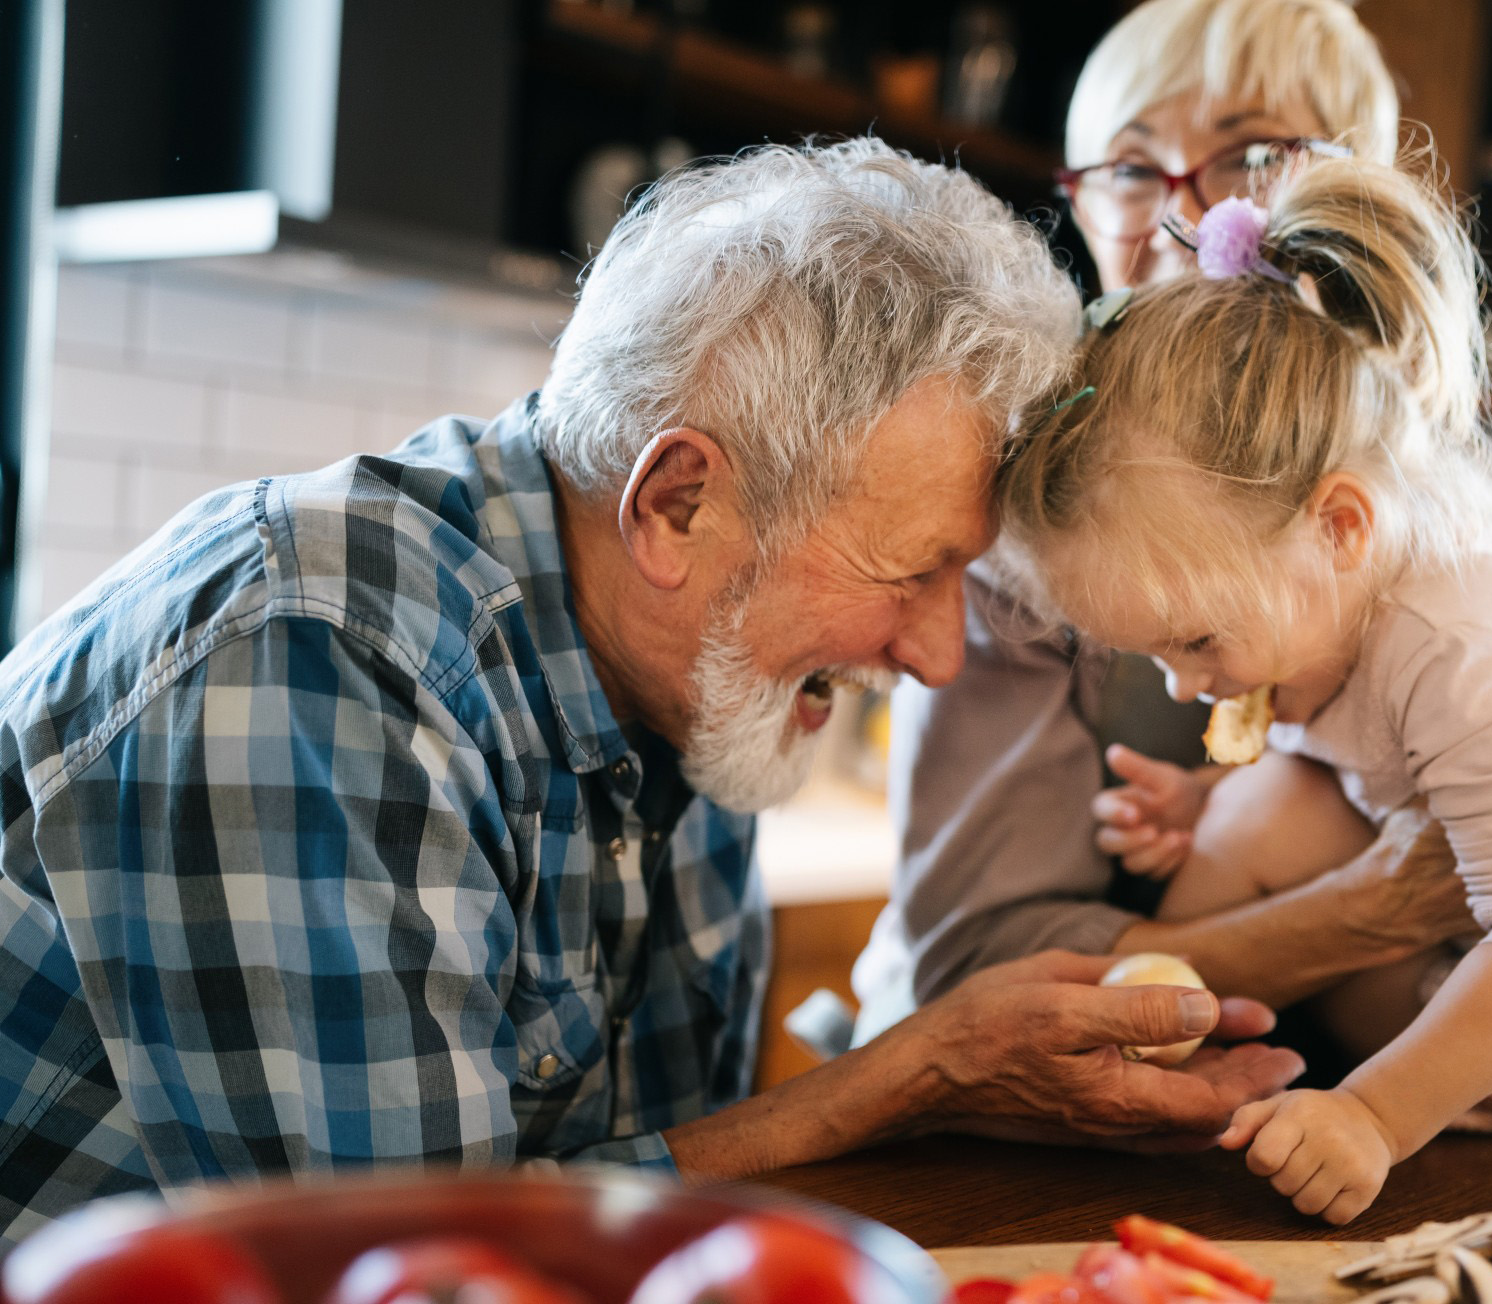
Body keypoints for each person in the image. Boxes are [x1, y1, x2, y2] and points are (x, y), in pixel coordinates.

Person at [0, 139, 1307, 1246]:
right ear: (676, 503)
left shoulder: (701, 671)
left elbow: (645, 1180)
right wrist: (908, 1075)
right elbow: (421, 1265)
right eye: (914, 572)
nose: (936, 654)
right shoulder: (318, 661)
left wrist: (933, 1087)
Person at [856, 0, 1492, 1134]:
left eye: (1255, 157)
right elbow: (970, 969)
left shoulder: (1420, 539)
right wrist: (1390, 904)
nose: (1195, 215)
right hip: (1032, 1113)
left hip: (1294, 1097)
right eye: (1130, 166)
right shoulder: (1028, 524)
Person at [997, 156, 1492, 1223]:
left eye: (1193, 638)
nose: (1184, 686)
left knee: (1265, 830)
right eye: (1154, 655)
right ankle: (1182, 1060)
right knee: (1250, 802)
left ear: (1339, 524)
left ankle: (1225, 1075)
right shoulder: (1334, 606)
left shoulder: (1472, 661)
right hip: (1453, 938)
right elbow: (1371, 766)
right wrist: (1199, 805)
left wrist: (1374, 1114)